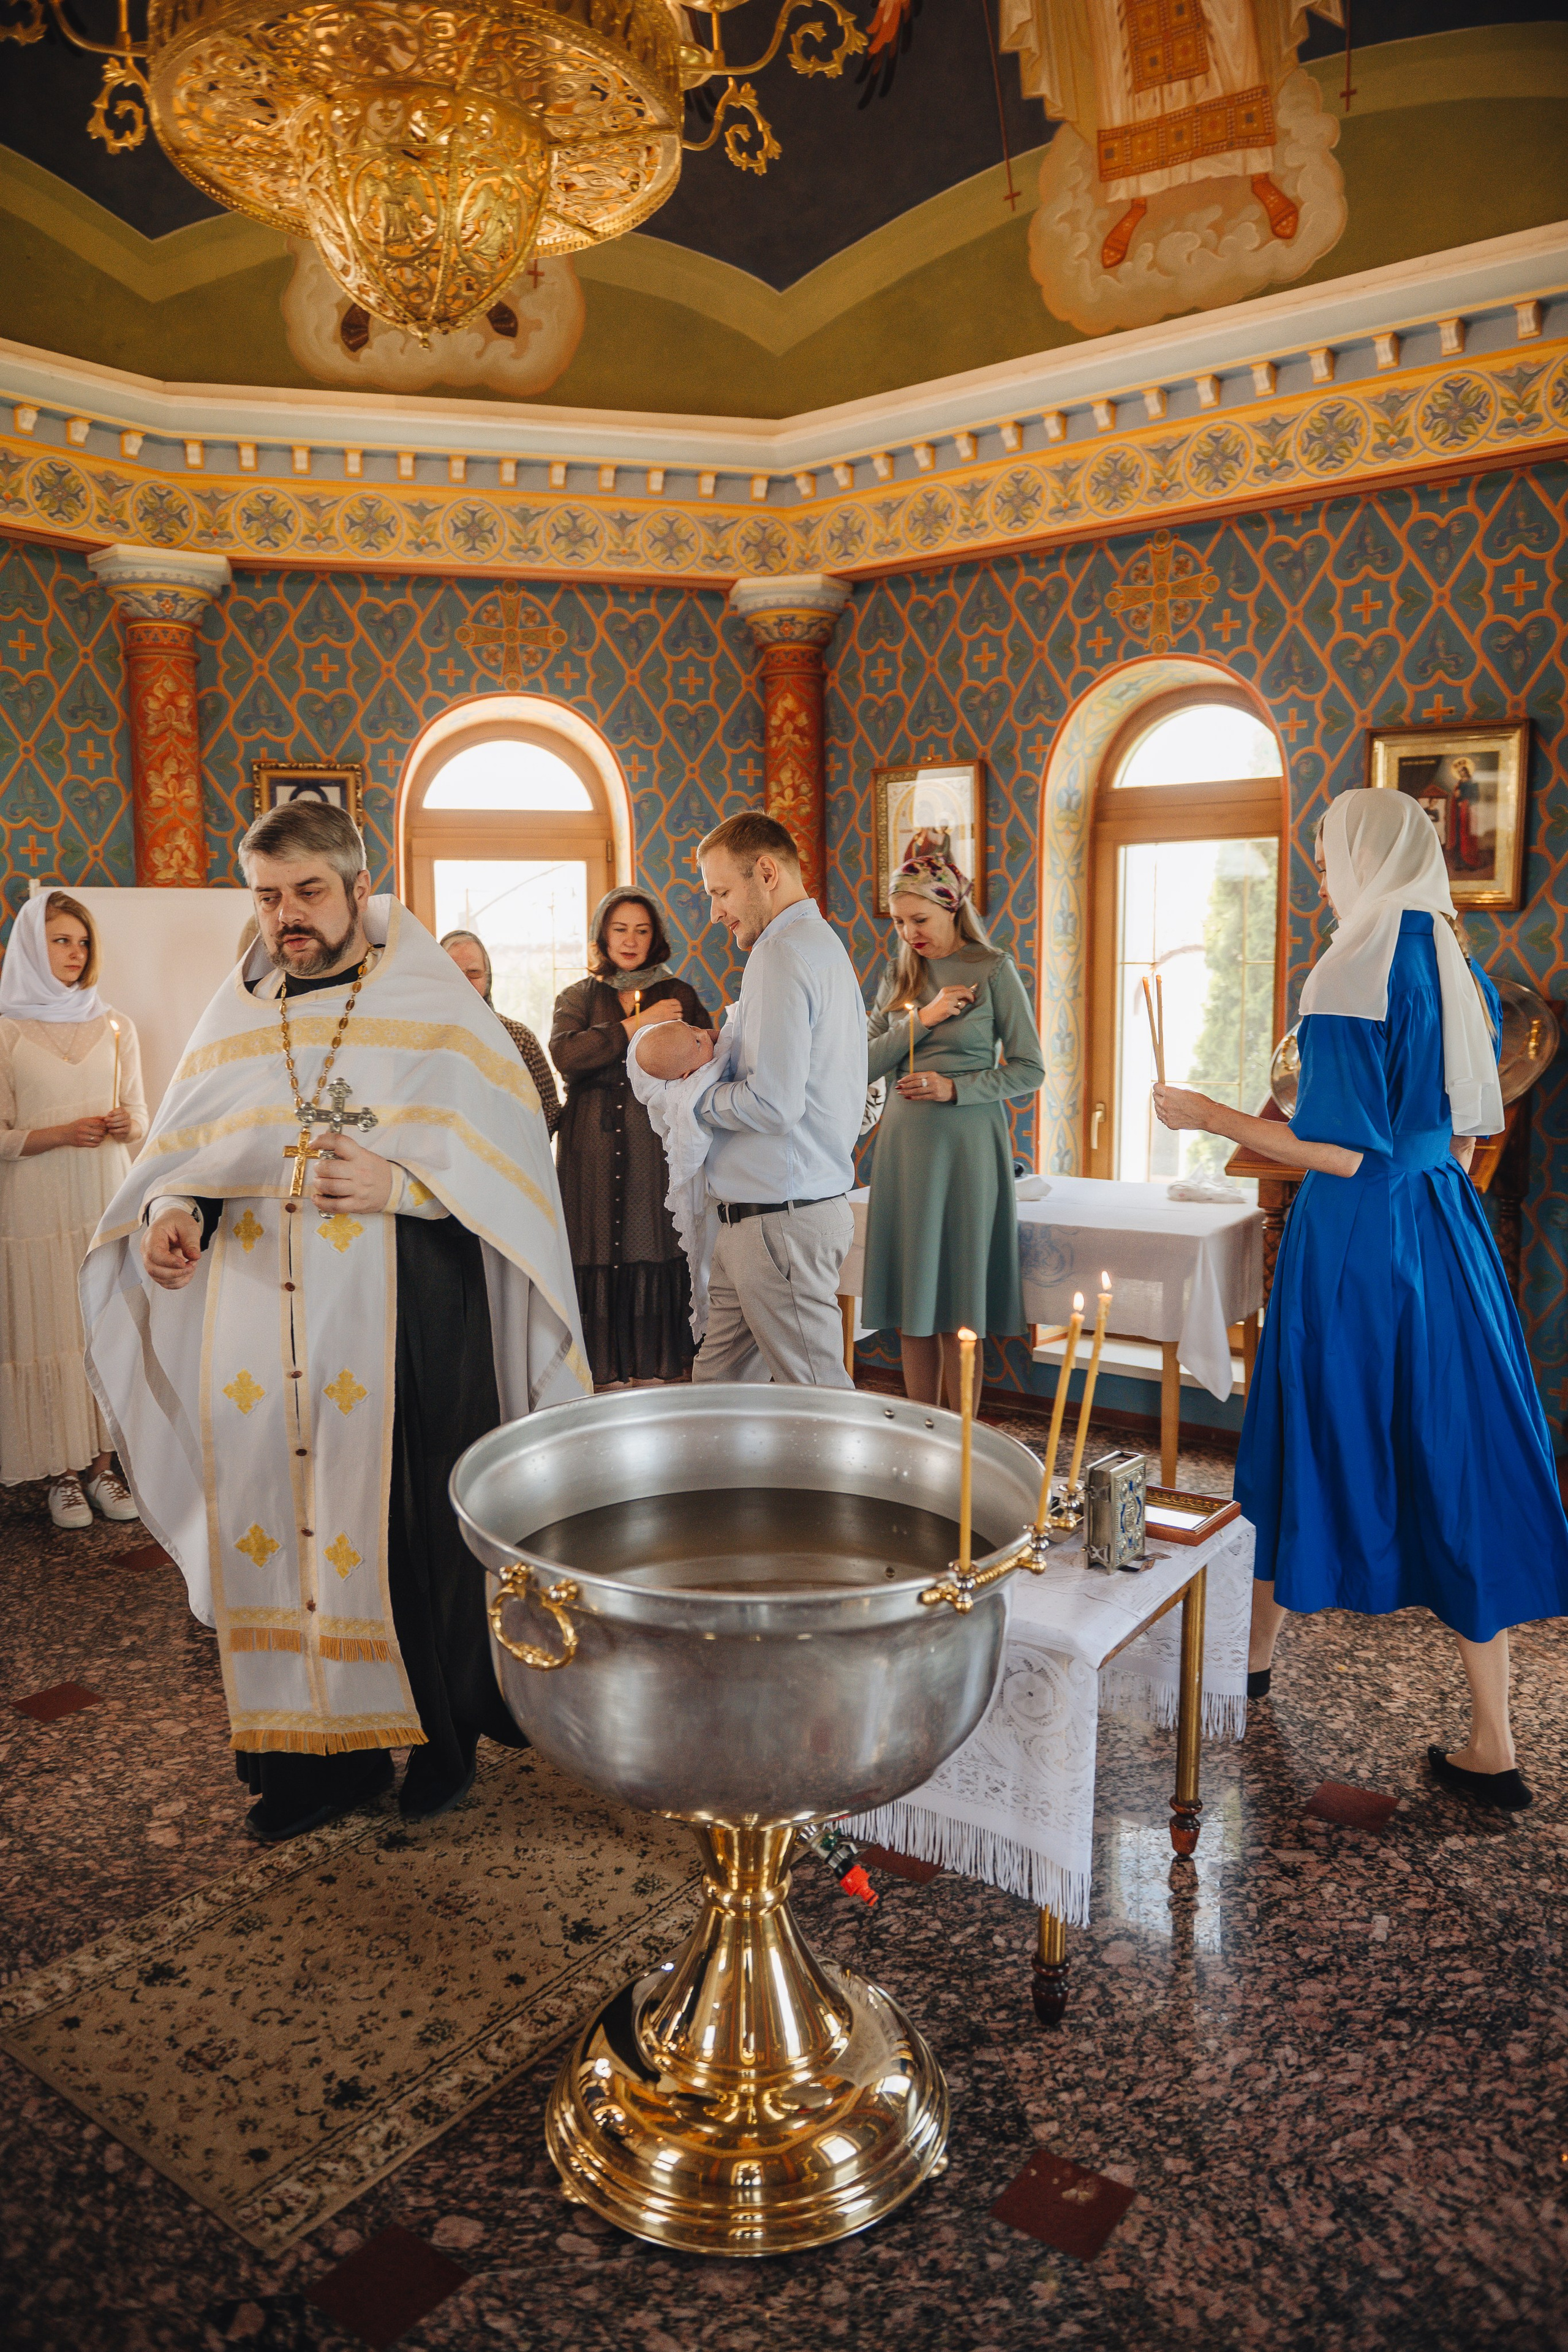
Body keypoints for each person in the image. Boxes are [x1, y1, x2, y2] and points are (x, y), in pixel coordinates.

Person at [81, 802, 588, 1841]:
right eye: (269, 896)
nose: (288, 916)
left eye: (309, 891)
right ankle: (318, 1766)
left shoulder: (436, 1008)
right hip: (256, 1332)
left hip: (406, 1321)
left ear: (362, 888)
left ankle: (440, 1745)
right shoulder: (237, 1015)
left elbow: (511, 1173)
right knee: (275, 1529)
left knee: (406, 1534)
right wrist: (173, 1214)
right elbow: (195, 1152)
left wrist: (402, 1183)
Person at [1154, 788, 1568, 1812]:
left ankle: (1251, 1664)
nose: (1324, 879)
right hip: (1443, 1226)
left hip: (1356, 1236)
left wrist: (1205, 1112)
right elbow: (1463, 1133)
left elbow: (1338, 1152)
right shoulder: (1460, 964)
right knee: (1453, 1454)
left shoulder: (1347, 969)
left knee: (1305, 1431)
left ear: (1369, 860)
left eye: (1328, 860)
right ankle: (1494, 1739)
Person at [861, 853, 1046, 1409]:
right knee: (914, 1302)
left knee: (960, 1301)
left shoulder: (992, 969)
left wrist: (955, 1088)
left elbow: (1030, 1070)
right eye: (899, 922)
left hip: (968, 1147)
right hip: (905, 1149)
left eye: (919, 919)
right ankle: (923, 1432)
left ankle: (962, 1438)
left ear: (952, 908)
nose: (908, 933)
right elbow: (860, 1063)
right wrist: (924, 1019)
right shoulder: (899, 975)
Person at [692, 812, 867, 1389]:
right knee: (717, 1389)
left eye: (721, 892)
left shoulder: (780, 952)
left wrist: (692, 1099)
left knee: (818, 1399)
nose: (716, 912)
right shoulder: (820, 944)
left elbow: (774, 1104)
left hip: (779, 1222)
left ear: (766, 872)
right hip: (769, 1218)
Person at [1, 892, 146, 1528]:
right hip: (35, 1206)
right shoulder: (5, 1032)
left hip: (102, 1198)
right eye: (61, 940)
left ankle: (103, 1468)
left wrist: (125, 1124)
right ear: (32, 948)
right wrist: (60, 1133)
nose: (75, 953)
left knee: (104, 1330)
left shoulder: (117, 1026)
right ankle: (60, 1474)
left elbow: (141, 1116)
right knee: (49, 1328)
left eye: (83, 942)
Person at [550, 888, 713, 1387]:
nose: (630, 940)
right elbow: (567, 1056)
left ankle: (653, 1374)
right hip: (589, 1149)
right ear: (603, 934)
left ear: (655, 936)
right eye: (620, 929)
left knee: (654, 1243)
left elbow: (707, 1057)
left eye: (642, 930)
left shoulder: (680, 994)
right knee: (592, 1247)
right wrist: (639, 1024)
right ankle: (597, 1376)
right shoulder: (577, 996)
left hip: (653, 1143)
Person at [439, 927, 561, 1133]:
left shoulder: (519, 1038)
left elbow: (549, 1109)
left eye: (474, 973)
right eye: (453, 972)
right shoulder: (422, 1038)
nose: (464, 981)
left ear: (487, 978)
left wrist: (517, 1145)